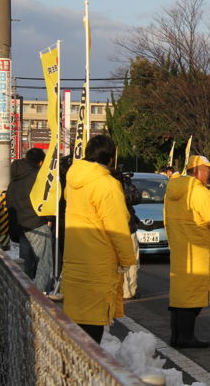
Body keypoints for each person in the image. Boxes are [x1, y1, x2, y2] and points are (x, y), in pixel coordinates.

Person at [62, 135, 136, 343]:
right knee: (93, 326)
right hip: (98, 262)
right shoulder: (106, 185)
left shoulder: (73, 179)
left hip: (74, 258)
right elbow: (118, 227)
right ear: (111, 157)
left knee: (76, 325)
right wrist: (127, 259)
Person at [165, 155, 210, 348]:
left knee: (179, 295)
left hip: (179, 248)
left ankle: (176, 336)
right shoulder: (198, 192)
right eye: (206, 168)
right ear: (196, 170)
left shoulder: (172, 190)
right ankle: (186, 337)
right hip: (197, 249)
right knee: (193, 295)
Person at [6, 148, 53, 292]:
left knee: (25, 262)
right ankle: (39, 297)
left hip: (20, 224)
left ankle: (23, 293)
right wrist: (48, 218)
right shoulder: (37, 176)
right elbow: (45, 198)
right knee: (44, 261)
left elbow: (9, 198)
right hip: (36, 222)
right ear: (40, 162)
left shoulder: (15, 176)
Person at [114, 169, 141, 300]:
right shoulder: (119, 188)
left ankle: (119, 291)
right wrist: (126, 183)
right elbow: (135, 197)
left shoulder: (102, 184)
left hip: (112, 230)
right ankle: (128, 291)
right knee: (131, 262)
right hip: (126, 229)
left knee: (118, 263)